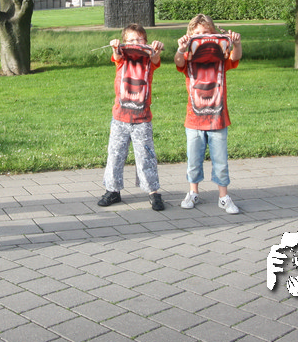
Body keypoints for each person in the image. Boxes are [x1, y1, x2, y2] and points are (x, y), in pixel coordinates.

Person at [174, 14, 243, 213]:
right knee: (193, 161)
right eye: (197, 33)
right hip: (194, 120)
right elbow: (178, 62)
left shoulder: (221, 59)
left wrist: (236, 43)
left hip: (218, 119)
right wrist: (181, 48)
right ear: (190, 36)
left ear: (214, 34)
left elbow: (235, 57)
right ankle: (193, 192)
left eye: (206, 32)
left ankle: (223, 197)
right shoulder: (188, 58)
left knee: (220, 162)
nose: (202, 36)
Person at [96, 24, 166, 211]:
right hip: (119, 119)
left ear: (146, 42)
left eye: (140, 40)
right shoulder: (121, 60)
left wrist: (157, 49)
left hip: (142, 120)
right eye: (131, 40)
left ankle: (153, 192)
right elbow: (117, 55)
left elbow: (155, 58)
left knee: (146, 157)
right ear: (125, 43)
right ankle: (113, 190)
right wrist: (115, 47)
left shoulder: (149, 60)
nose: (136, 43)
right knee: (115, 155)